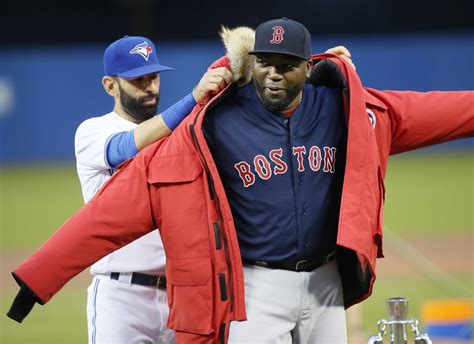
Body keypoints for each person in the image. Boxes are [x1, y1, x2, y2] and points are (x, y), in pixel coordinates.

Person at [7, 19, 473, 344]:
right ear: (250, 66)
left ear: (307, 67)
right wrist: (40, 275)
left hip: (326, 283)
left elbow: (436, 111)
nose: (272, 73)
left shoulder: (347, 110)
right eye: (264, 62)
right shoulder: (213, 126)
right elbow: (119, 204)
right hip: (251, 288)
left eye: (285, 63)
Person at [75, 35, 233, 344]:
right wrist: (193, 99)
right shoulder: (93, 131)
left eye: (153, 76)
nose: (149, 86)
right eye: (137, 79)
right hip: (122, 297)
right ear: (110, 85)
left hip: (180, 295)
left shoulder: (177, 135)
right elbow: (128, 145)